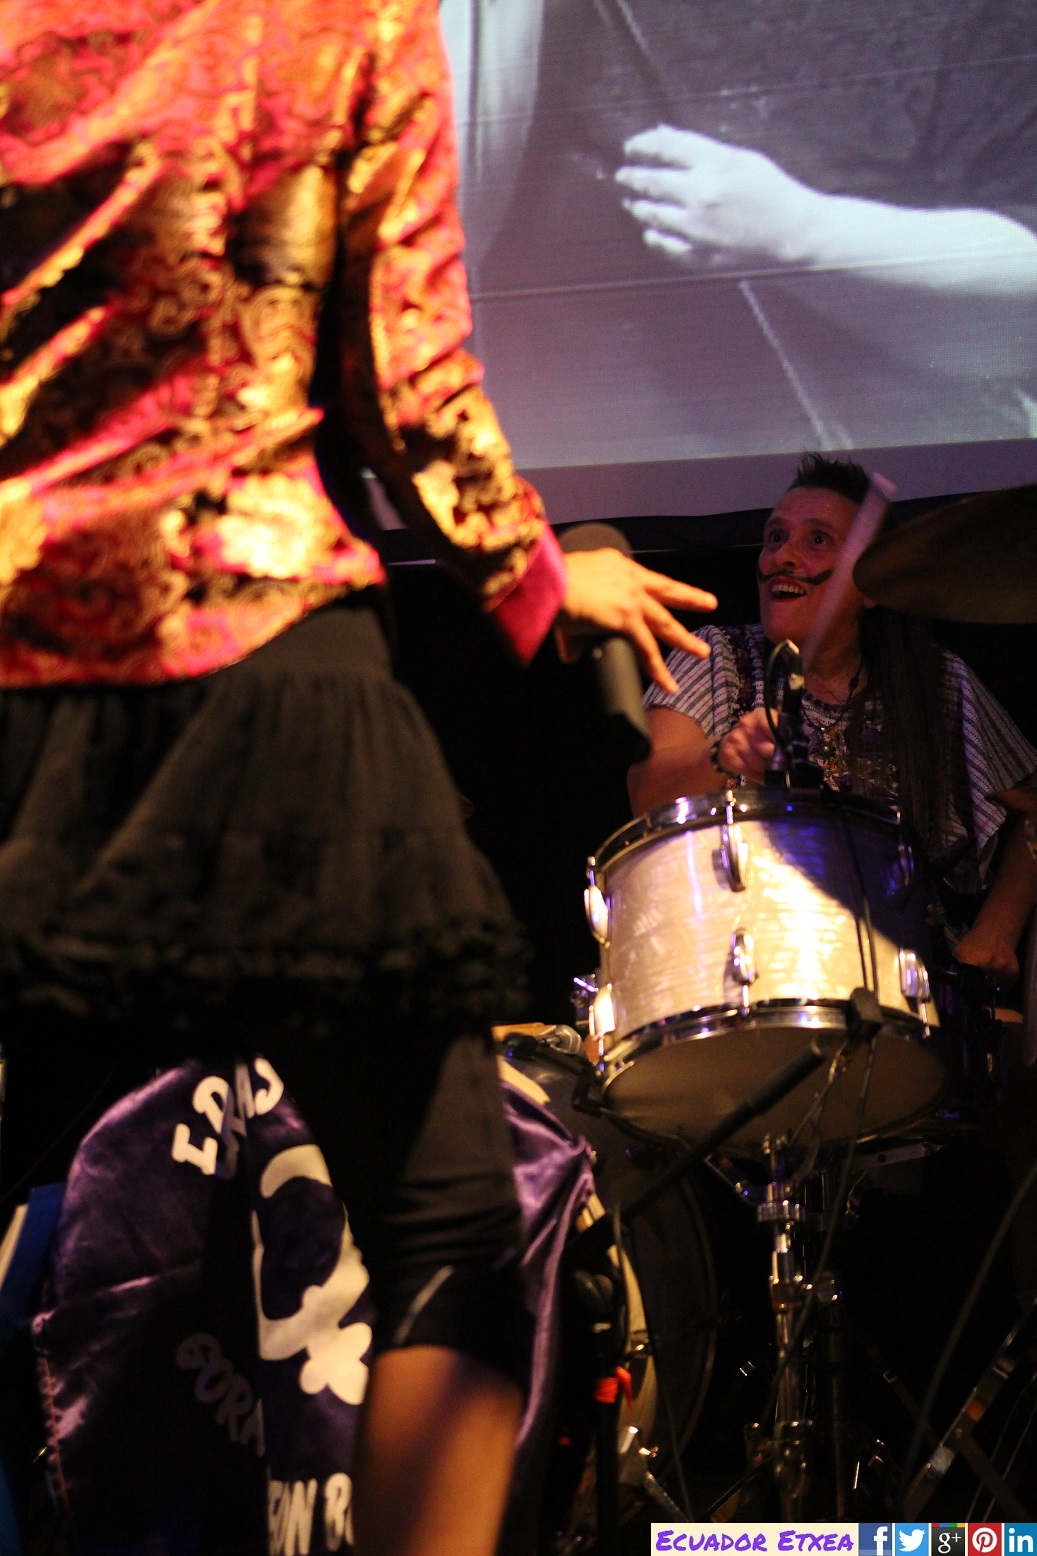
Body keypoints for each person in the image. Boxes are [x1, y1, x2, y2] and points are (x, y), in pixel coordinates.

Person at [0, 3, 716, 1553]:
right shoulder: (340, 20)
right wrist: (538, 578)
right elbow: (411, 379)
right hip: (264, 660)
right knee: (448, 1218)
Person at [446, 0, 1037, 467]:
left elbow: (1020, 318)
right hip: (589, 505)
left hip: (882, 503)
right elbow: (441, 223)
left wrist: (803, 236)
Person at [628, 454, 1037, 979]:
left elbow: (1033, 804)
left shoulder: (934, 682)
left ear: (871, 584)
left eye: (817, 540)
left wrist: (996, 931)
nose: (783, 557)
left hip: (903, 982)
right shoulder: (713, 655)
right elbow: (645, 793)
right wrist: (722, 754)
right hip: (740, 974)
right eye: (776, 537)